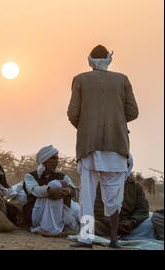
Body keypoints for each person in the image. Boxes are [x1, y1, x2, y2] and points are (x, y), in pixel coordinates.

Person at [67, 45, 139, 248]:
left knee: (87, 195)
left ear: (89, 60)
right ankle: (114, 239)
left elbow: (73, 113)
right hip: (116, 145)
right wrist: (116, 121)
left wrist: (85, 127)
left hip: (88, 145)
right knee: (114, 196)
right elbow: (133, 112)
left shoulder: (80, 79)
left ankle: (85, 239)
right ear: (109, 59)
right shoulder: (122, 79)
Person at [95, 155, 156, 240]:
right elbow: (98, 209)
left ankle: (121, 234)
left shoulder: (136, 186)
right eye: (118, 164)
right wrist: (113, 224)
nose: (121, 168)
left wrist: (132, 222)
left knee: (151, 224)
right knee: (90, 224)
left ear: (129, 166)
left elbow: (143, 209)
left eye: (124, 165)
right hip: (107, 223)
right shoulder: (103, 184)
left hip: (131, 225)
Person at [23, 145, 79, 235]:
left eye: (57, 158)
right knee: (55, 185)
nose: (56, 161)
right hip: (37, 213)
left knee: (75, 206)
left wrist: (67, 191)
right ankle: (51, 228)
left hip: (59, 211)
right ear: (44, 160)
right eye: (53, 158)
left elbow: (75, 191)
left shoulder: (62, 176)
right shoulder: (30, 176)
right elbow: (35, 190)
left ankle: (59, 225)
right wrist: (51, 191)